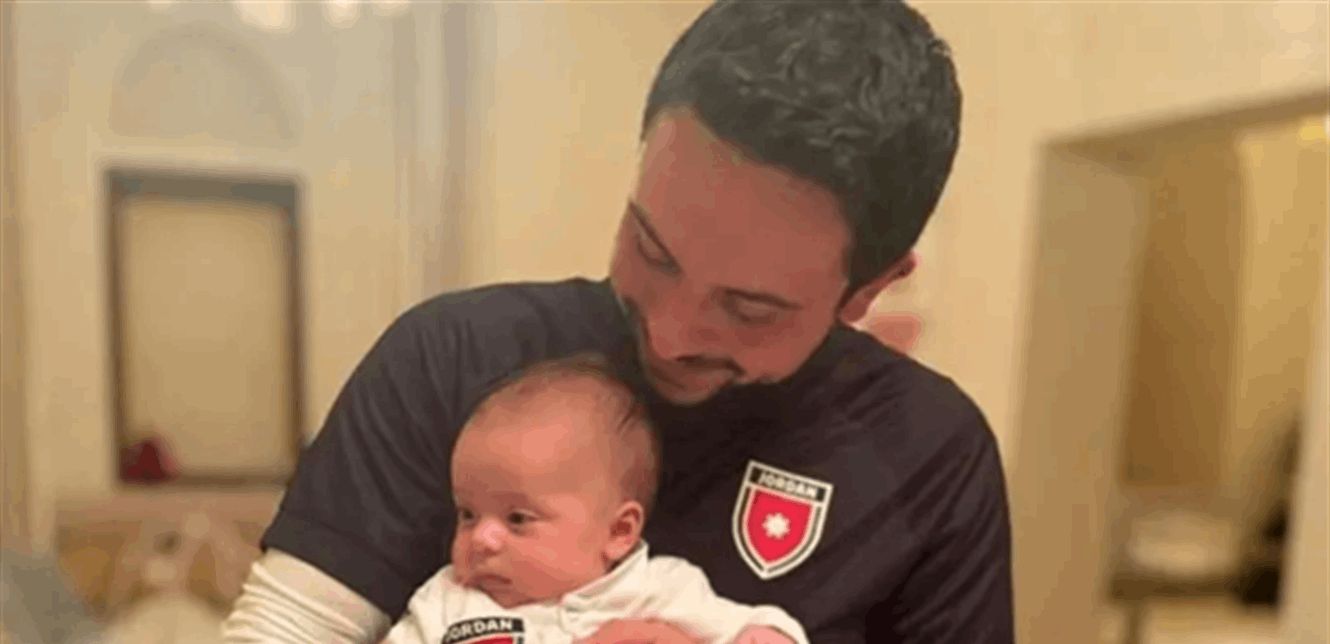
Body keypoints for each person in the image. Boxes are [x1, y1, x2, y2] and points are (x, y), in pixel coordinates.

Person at [224, 1, 1014, 642]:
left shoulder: (931, 457)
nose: (668, 333)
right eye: (652, 249)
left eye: (748, 307)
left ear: (870, 288)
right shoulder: (449, 357)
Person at [381, 355, 808, 644]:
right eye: (468, 514)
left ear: (619, 532)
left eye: (518, 519)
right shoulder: (447, 599)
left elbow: (755, 626)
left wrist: (771, 635)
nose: (482, 539)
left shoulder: (657, 590)